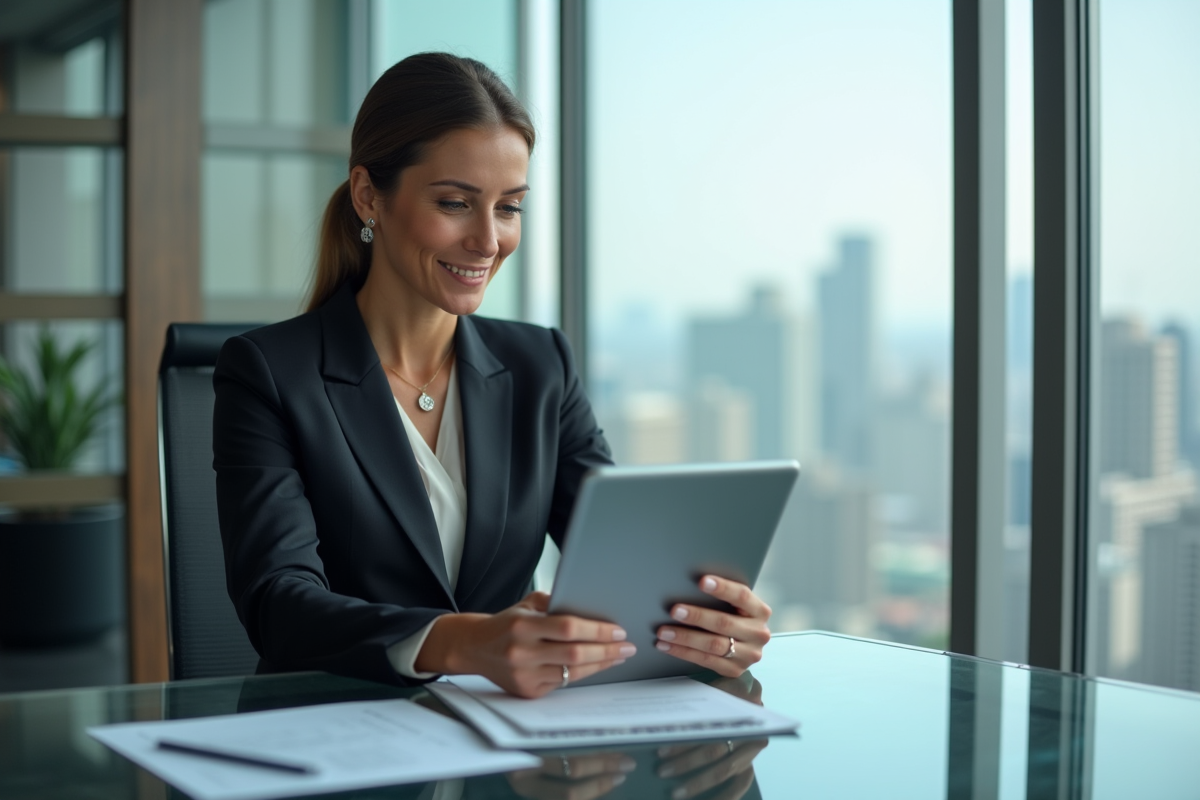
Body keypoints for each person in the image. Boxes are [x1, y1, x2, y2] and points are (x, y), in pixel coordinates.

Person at [212, 52, 772, 698]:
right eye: (455, 203)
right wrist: (466, 643)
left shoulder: (541, 368)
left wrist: (710, 626)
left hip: (507, 750)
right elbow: (278, 605)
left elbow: (625, 564)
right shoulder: (269, 375)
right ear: (369, 196)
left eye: (509, 208)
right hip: (335, 736)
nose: (488, 240)